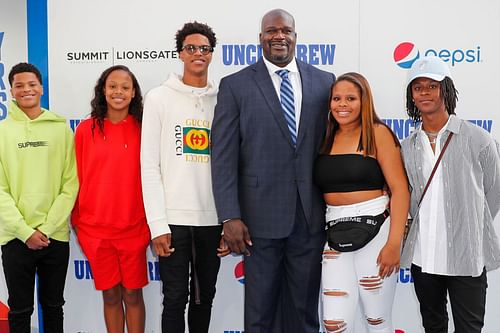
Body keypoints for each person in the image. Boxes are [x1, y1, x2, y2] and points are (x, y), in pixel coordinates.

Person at [211, 9, 335, 333]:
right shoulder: (235, 86)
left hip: (309, 218)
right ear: (260, 38)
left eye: (285, 31)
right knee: (260, 314)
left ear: (295, 37)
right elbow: (222, 156)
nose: (278, 36)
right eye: (271, 31)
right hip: (257, 221)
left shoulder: (325, 81)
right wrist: (229, 216)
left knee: (304, 312)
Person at [401, 55, 500, 333]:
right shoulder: (407, 146)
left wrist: (469, 224)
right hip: (424, 258)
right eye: (417, 87)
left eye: (432, 86)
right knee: (433, 326)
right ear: (411, 95)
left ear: (446, 89)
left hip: (467, 257)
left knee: (469, 329)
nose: (424, 92)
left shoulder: (477, 138)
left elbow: (494, 191)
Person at [141, 21, 228, 333]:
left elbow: (233, 166)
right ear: (180, 53)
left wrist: (229, 221)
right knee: (175, 298)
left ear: (212, 54)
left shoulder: (223, 99)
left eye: (204, 48)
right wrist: (157, 225)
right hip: (173, 221)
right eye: (191, 48)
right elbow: (149, 166)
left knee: (205, 299)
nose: (198, 53)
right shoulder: (158, 98)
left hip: (213, 220)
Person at [314, 72, 409, 333]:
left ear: (364, 101)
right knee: (334, 323)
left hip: (377, 229)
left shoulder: (377, 133)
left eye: (350, 98)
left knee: (376, 320)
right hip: (334, 230)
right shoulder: (325, 137)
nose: (342, 104)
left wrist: (393, 243)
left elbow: (400, 189)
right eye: (336, 98)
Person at [0, 62, 79, 333]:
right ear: (11, 91)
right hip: (15, 237)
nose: (26, 90)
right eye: (19, 85)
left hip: (54, 235)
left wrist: (45, 228)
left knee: (53, 307)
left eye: (32, 84)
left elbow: (70, 183)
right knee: (20, 310)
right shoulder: (2, 132)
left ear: (41, 89)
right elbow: (0, 191)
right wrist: (24, 231)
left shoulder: (61, 129)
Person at [71, 65, 150, 333]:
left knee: (132, 295)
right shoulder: (84, 130)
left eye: (125, 87)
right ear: (103, 90)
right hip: (96, 231)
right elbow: (76, 178)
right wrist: (79, 222)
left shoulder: (145, 129)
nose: (118, 92)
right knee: (111, 296)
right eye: (112, 86)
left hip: (134, 229)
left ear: (134, 92)